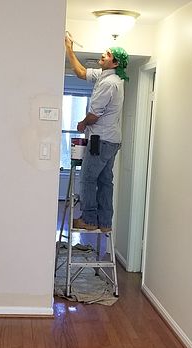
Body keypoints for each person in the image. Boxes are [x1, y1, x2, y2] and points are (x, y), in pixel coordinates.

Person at [64, 35, 129, 233]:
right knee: (105, 181)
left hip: (100, 141)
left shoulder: (109, 84)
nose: (103, 55)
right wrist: (69, 49)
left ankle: (89, 220)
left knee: (87, 178)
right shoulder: (108, 77)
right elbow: (81, 72)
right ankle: (105, 223)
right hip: (111, 141)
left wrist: (82, 124)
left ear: (115, 63)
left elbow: (94, 116)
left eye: (107, 54)